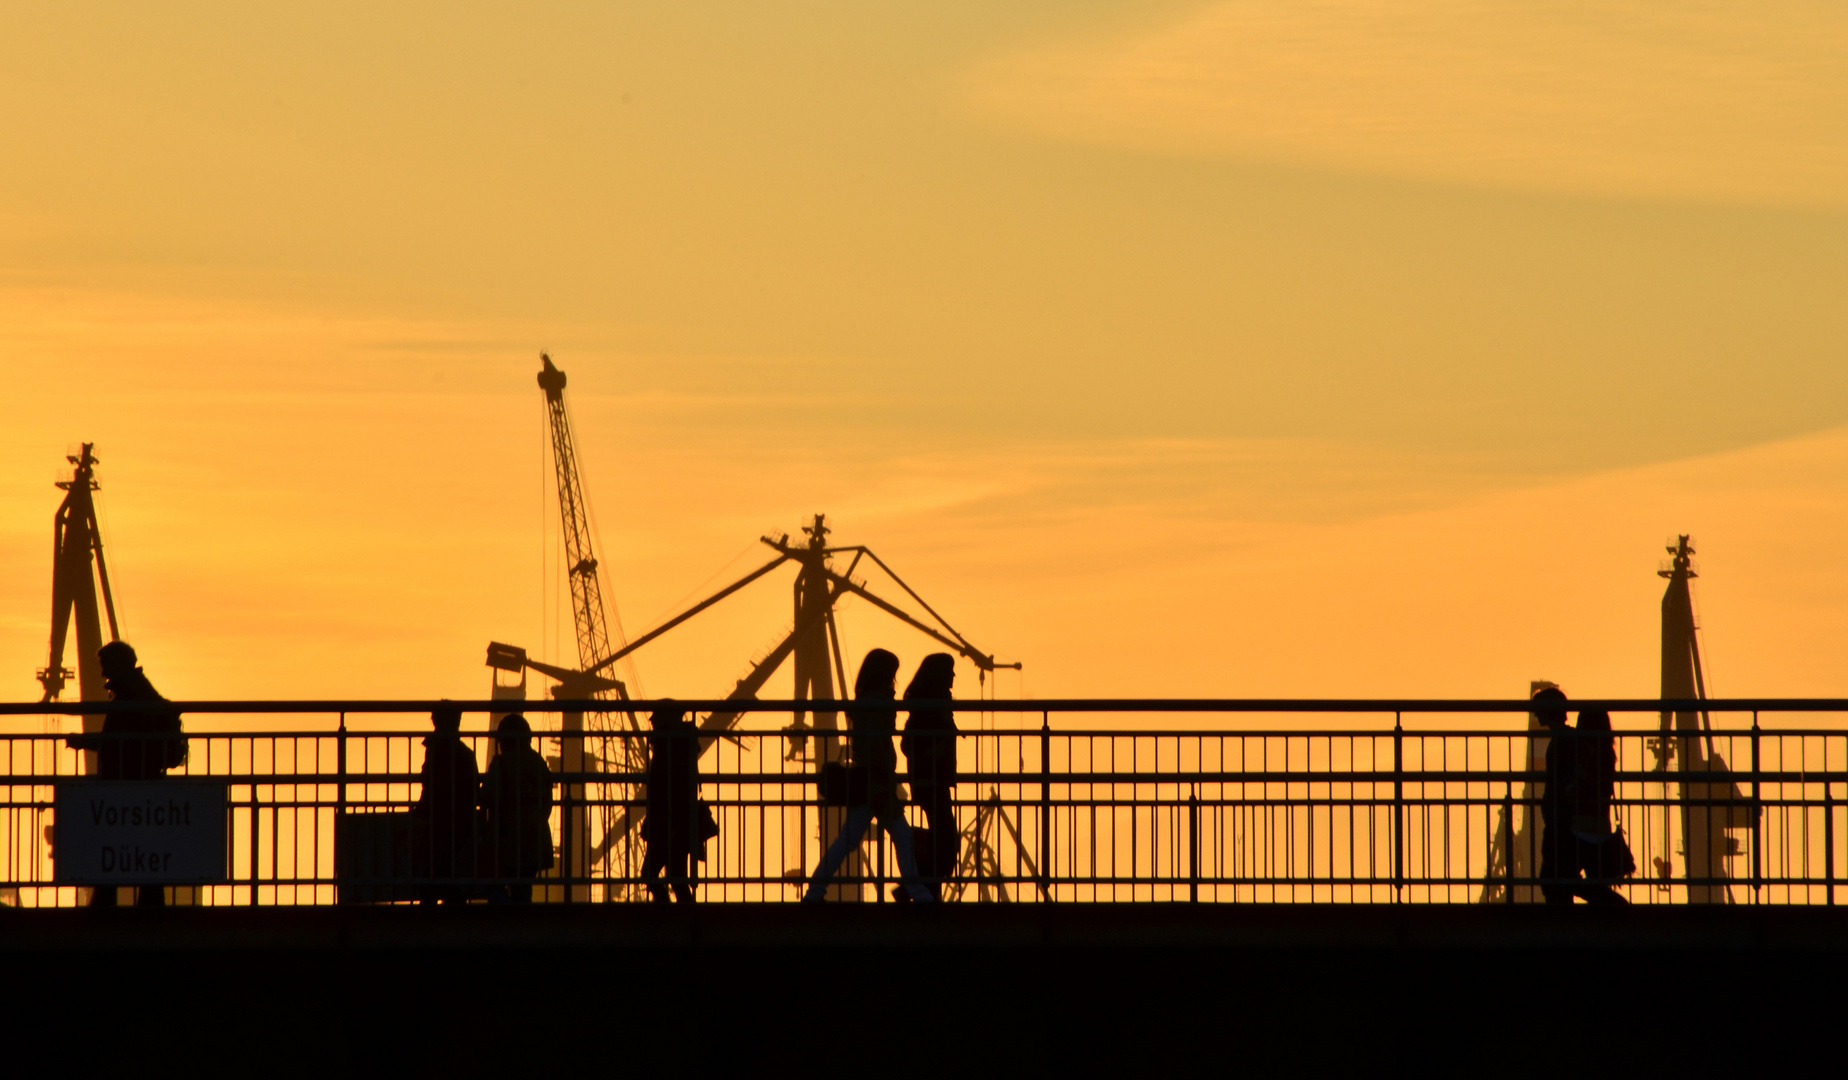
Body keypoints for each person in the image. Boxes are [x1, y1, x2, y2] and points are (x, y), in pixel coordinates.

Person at [804, 649, 935, 903]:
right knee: (901, 836)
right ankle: (920, 896)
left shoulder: (865, 702)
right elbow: (876, 745)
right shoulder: (879, 703)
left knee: (848, 840)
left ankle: (815, 891)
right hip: (877, 783)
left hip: (867, 781)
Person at [67, 640, 186, 907]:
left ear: (117, 665)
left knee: (113, 846)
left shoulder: (128, 697)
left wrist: (82, 741)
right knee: (144, 850)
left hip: (126, 786)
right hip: (146, 784)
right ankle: (148, 908)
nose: (102, 673)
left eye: (105, 666)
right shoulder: (142, 692)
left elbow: (116, 741)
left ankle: (106, 908)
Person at [1534, 689, 1625, 906]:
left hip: (1570, 824)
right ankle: (1609, 911)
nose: (1535, 715)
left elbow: (1570, 783)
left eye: (1537, 710)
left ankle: (1607, 909)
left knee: (1554, 879)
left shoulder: (1565, 742)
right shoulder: (1580, 743)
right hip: (1590, 822)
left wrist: (1562, 802)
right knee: (1564, 879)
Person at [901, 652, 960, 900]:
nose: (954, 675)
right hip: (930, 779)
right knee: (947, 837)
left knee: (943, 836)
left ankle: (925, 887)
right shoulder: (930, 704)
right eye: (950, 670)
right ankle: (920, 887)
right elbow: (909, 743)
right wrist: (932, 750)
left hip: (932, 778)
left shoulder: (931, 701)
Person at [478, 713, 554, 904]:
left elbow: (487, 796)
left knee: (492, 884)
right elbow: (547, 804)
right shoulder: (539, 763)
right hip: (537, 837)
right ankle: (522, 924)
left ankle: (507, 921)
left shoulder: (502, 763)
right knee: (523, 889)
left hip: (509, 838)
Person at [411, 704, 481, 905]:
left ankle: (438, 903)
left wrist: (421, 811)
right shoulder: (463, 753)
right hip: (458, 819)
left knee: (438, 866)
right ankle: (450, 903)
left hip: (438, 818)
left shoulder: (435, 750)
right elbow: (474, 791)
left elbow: (429, 784)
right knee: (444, 866)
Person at [641, 703, 703, 903]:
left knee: (652, 875)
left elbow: (665, 789)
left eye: (655, 719)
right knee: (677, 879)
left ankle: (672, 915)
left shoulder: (668, 750)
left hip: (669, 822)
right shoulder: (679, 747)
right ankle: (683, 917)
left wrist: (666, 822)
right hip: (675, 822)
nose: (652, 722)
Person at [1570, 709, 1629, 904]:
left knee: (1563, 878)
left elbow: (1586, 779)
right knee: (1597, 879)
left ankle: (1618, 907)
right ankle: (1612, 911)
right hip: (1601, 823)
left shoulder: (1584, 751)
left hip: (1581, 825)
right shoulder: (1608, 751)